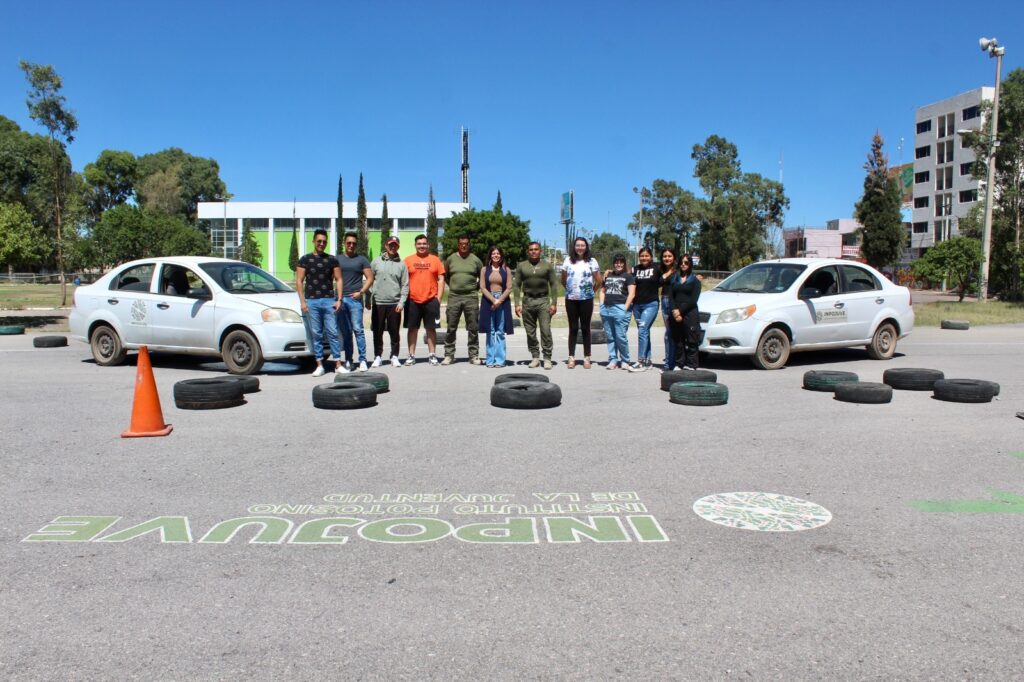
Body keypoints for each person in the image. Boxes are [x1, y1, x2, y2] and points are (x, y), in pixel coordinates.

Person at [295, 229, 343, 377]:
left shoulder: (332, 260)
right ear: (314, 241)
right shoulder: (305, 259)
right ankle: (319, 365)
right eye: (319, 241)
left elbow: (339, 279)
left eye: (324, 241)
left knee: (332, 333)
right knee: (316, 334)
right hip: (312, 301)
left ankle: (338, 364)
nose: (321, 244)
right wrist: (303, 302)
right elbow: (299, 281)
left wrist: (339, 299)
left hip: (329, 300)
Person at [513, 241, 558, 370]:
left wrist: (554, 303)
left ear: (540, 251)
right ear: (528, 251)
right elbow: (516, 285)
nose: (533, 251)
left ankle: (547, 358)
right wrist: (517, 304)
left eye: (536, 249)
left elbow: (554, 284)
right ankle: (535, 357)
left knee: (545, 330)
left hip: (543, 301)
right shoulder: (522, 266)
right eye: (531, 249)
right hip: (527, 301)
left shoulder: (547, 265)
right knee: (530, 332)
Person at [403, 234, 445, 366]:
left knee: (431, 329)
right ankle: (411, 355)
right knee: (412, 329)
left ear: (428, 245)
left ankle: (432, 355)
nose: (422, 246)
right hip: (412, 300)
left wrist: (438, 298)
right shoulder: (407, 260)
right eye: (419, 243)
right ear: (415, 245)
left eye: (424, 243)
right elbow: (403, 280)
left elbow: (441, 279)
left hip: (431, 300)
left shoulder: (435, 260)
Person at [442, 234, 484, 366]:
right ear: (458, 244)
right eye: (461, 243)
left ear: (469, 244)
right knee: (451, 327)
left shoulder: (476, 260)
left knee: (473, 328)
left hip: (471, 297)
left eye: (466, 243)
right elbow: (447, 276)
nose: (464, 245)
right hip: (454, 297)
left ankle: (473, 355)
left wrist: (474, 288)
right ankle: (449, 355)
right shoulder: (450, 259)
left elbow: (481, 277)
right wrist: (454, 287)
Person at [561, 237, 602, 369]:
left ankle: (587, 357)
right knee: (573, 328)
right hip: (571, 299)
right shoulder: (568, 260)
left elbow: (599, 281)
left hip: (587, 300)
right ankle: (571, 357)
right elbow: (563, 280)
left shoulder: (592, 261)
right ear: (574, 247)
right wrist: (570, 290)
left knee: (585, 328)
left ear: (586, 247)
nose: (580, 248)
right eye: (577, 245)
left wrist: (591, 292)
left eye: (582, 245)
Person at [336, 232, 374, 372]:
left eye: (354, 243)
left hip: (355, 300)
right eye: (349, 243)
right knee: (346, 332)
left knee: (358, 330)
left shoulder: (362, 260)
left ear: (356, 245)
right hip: (340, 299)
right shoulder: (338, 259)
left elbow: (370, 278)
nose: (351, 245)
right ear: (344, 243)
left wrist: (362, 292)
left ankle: (363, 360)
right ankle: (349, 360)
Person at [369, 236, 409, 368]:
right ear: (386, 246)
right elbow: (369, 280)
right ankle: (378, 356)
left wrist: (401, 302)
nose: (392, 247)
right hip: (378, 302)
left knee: (394, 332)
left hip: (394, 303)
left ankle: (394, 356)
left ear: (398, 247)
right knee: (377, 331)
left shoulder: (402, 265)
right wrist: (368, 298)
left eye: (395, 245)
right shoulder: (376, 262)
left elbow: (405, 285)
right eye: (390, 245)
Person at [478, 245, 514, 367]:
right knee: (490, 331)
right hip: (488, 300)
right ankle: (490, 360)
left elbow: (509, 288)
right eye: (493, 253)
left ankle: (500, 360)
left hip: (503, 301)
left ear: (501, 255)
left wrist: (499, 300)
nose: (496, 255)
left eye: (498, 253)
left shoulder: (506, 270)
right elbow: (482, 287)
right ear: (490, 255)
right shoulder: (484, 270)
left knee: (500, 331)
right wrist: (493, 300)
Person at [599, 254, 636, 370]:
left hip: (620, 308)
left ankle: (625, 360)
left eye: (621, 262)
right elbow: (602, 291)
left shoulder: (628, 276)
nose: (618, 264)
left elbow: (632, 294)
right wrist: (601, 305)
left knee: (620, 336)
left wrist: (624, 308)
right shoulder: (608, 275)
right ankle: (613, 359)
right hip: (607, 308)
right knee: (610, 336)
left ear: (624, 264)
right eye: (616, 262)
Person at [628, 247, 660, 372]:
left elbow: (672, 271)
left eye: (646, 256)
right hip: (637, 306)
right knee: (644, 331)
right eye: (642, 256)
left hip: (651, 304)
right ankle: (648, 360)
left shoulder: (657, 268)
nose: (644, 258)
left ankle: (640, 361)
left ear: (651, 257)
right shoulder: (635, 269)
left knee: (642, 330)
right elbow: (626, 278)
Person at [669, 253, 702, 370]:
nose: (683, 265)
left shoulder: (695, 280)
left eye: (686, 262)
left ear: (690, 264)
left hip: (690, 313)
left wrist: (680, 311)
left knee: (692, 339)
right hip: (675, 313)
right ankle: (679, 364)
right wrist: (674, 310)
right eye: (681, 262)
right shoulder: (674, 278)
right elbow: (671, 296)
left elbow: (693, 300)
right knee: (678, 340)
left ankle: (692, 364)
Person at [658, 248, 680, 372]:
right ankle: (669, 364)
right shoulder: (661, 270)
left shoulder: (678, 270)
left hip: (674, 302)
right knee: (668, 334)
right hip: (664, 301)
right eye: (665, 256)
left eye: (669, 256)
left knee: (673, 333)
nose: (667, 258)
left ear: (674, 257)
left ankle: (675, 363)